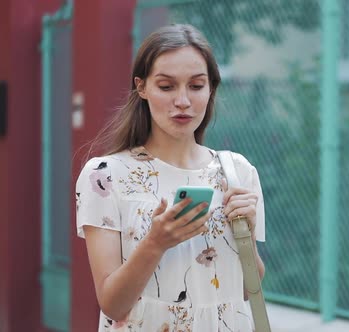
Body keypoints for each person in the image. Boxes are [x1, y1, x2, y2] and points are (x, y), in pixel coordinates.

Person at [75, 24, 265, 331]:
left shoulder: (237, 172)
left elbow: (245, 290)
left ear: (211, 88)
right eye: (166, 86)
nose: (183, 101)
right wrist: (156, 242)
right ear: (142, 87)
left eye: (196, 85)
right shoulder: (105, 176)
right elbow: (113, 304)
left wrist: (247, 232)